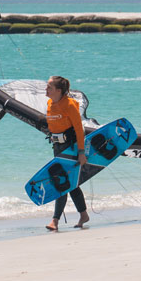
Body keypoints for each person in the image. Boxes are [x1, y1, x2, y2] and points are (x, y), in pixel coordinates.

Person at [44, 76, 89, 231]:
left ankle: (55, 221)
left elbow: (78, 129)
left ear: (58, 90)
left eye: (49, 87)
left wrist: (81, 152)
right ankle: (83, 214)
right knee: (71, 184)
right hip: (57, 147)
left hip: (71, 148)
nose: (46, 89)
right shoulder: (50, 103)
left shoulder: (69, 105)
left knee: (61, 183)